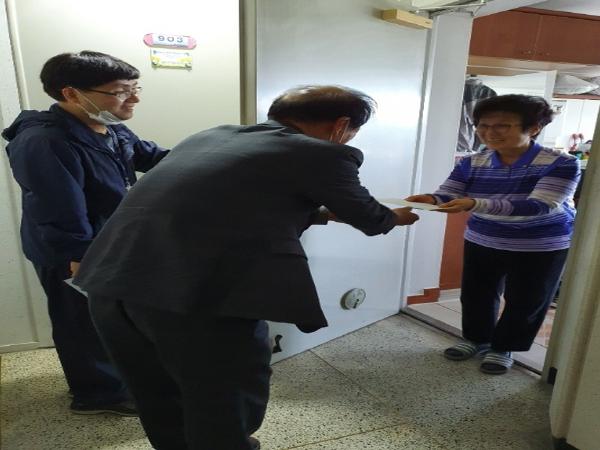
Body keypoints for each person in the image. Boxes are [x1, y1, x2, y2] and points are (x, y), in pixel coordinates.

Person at [72, 85, 420, 450]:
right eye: (351, 132)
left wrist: (324, 213)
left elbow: (229, 199)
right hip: (195, 295)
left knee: (156, 390)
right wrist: (396, 216)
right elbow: (371, 218)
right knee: (225, 394)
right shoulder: (323, 153)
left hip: (111, 282)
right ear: (341, 126)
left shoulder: (213, 136)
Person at [2, 51, 169, 414]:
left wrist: (209, 156)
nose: (134, 99)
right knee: (81, 322)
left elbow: (152, 157)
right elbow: (57, 208)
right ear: (72, 94)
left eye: (135, 88)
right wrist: (79, 257)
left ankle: (119, 379)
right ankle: (97, 395)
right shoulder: (45, 141)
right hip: (71, 249)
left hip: (107, 240)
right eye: (121, 91)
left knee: (110, 318)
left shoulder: (109, 126)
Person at [407, 94, 580, 375]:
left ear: (533, 128)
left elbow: (540, 205)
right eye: (483, 125)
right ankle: (476, 339)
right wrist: (430, 199)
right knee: (477, 295)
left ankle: (503, 348)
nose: (489, 132)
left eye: (502, 126)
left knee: (526, 300)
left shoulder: (561, 163)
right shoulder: (472, 162)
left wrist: (475, 204)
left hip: (540, 244)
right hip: (484, 238)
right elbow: (450, 192)